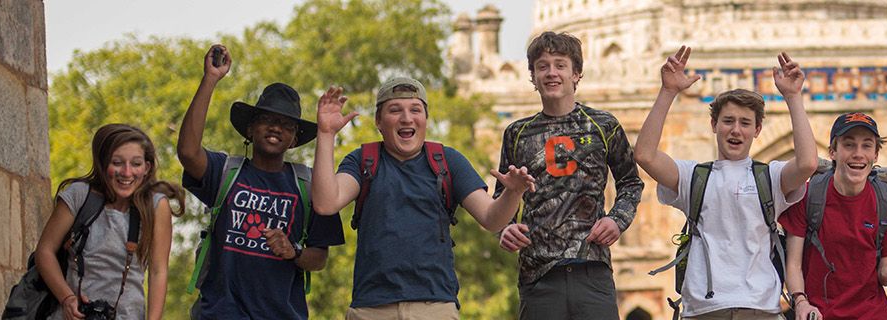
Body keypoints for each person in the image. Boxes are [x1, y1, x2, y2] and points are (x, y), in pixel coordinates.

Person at [310, 77, 535, 319]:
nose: (406, 118)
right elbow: (326, 203)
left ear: (425, 119)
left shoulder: (448, 161)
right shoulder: (363, 160)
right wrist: (325, 134)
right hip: (371, 308)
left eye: (415, 110)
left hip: (435, 306)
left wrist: (514, 192)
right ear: (378, 121)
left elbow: (492, 219)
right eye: (395, 110)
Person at [635, 47, 819, 319]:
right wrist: (668, 92)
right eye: (728, 121)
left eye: (745, 123)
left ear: (757, 130)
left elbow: (807, 164)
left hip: (759, 308)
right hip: (705, 309)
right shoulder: (693, 177)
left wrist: (793, 97)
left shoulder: (769, 178)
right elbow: (645, 155)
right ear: (714, 125)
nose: (736, 130)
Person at [175, 44, 346, 320]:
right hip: (219, 313)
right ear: (251, 128)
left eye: (287, 125)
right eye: (267, 119)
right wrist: (210, 79)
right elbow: (187, 152)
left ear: (293, 140)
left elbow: (319, 258)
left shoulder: (309, 184)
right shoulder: (225, 171)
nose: (276, 127)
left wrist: (293, 251)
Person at [493, 31, 645, 320]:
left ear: (576, 74)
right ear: (533, 76)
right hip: (539, 274)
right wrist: (506, 228)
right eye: (543, 66)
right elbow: (502, 194)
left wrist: (617, 219)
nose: (552, 73)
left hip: (592, 269)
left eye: (560, 65)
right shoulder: (517, 133)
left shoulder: (603, 126)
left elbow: (630, 182)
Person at [33, 124, 184, 320]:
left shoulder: (155, 206)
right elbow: (44, 251)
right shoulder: (79, 195)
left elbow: (158, 271)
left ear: (147, 168)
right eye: (117, 162)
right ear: (103, 163)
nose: (127, 172)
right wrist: (67, 298)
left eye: (136, 164)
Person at [781, 112, 887, 320]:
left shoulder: (886, 201)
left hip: (873, 314)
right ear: (833, 152)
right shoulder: (808, 196)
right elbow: (793, 265)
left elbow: (884, 272)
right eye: (849, 145)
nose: (858, 153)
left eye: (866, 145)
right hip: (819, 314)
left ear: (876, 155)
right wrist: (800, 302)